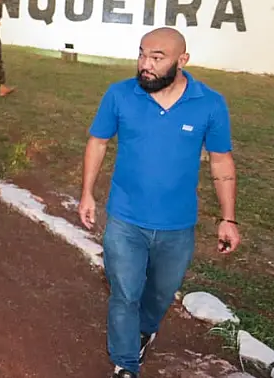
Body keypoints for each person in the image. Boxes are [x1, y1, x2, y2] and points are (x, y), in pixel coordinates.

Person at [78, 27, 240, 378]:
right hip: (125, 219)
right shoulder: (120, 94)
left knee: (159, 295)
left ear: (182, 60)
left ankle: (145, 329)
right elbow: (98, 143)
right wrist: (87, 193)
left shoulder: (209, 103)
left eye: (156, 58)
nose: (145, 65)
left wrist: (229, 218)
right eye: (141, 54)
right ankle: (125, 364)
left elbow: (221, 161)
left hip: (177, 225)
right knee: (125, 294)